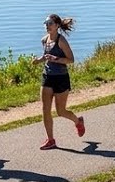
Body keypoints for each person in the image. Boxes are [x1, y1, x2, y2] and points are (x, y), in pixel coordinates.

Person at [34, 14, 85, 150]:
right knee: (45, 109)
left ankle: (78, 121)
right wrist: (38, 60)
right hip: (47, 76)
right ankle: (50, 140)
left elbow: (71, 59)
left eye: (50, 23)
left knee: (60, 111)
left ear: (57, 25)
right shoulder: (44, 40)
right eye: (46, 23)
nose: (47, 26)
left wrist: (56, 59)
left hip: (61, 77)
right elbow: (46, 57)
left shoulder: (61, 41)